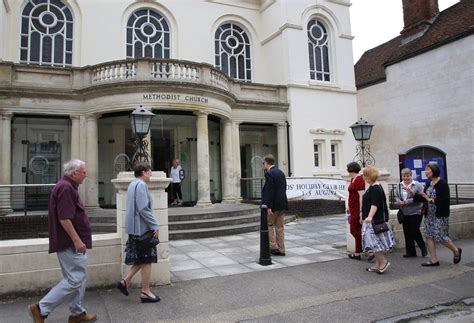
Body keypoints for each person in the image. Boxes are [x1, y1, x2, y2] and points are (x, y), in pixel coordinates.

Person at [28, 160, 96, 323]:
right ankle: (41, 308)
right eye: (83, 173)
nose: (85, 176)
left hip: (70, 242)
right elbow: (64, 218)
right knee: (75, 279)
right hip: (70, 243)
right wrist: (77, 240)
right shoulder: (66, 188)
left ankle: (77, 312)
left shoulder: (66, 186)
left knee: (77, 277)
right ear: (74, 173)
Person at [116, 163, 161, 303]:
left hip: (134, 230)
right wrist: (155, 225)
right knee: (147, 260)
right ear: (143, 172)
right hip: (143, 230)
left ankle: (125, 281)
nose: (151, 174)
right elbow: (143, 209)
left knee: (141, 259)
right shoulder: (141, 185)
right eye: (149, 171)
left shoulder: (132, 184)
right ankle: (145, 292)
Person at [408, 163, 462, 267]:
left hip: (439, 215)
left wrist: (431, 200)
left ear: (434, 171)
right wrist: (414, 194)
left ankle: (456, 251)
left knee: (441, 237)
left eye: (428, 170)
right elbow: (424, 197)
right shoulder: (429, 184)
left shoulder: (442, 184)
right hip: (429, 215)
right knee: (429, 235)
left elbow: (445, 200)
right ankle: (434, 260)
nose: (426, 172)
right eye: (426, 170)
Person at [361, 166, 396, 274]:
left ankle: (383, 262)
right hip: (370, 221)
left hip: (374, 221)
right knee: (372, 244)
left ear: (369, 176)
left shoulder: (376, 188)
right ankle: (377, 264)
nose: (363, 177)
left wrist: (369, 217)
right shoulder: (372, 187)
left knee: (375, 244)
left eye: (364, 175)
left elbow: (375, 204)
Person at [394, 168, 427, 258]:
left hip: (416, 211)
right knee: (407, 232)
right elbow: (396, 196)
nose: (405, 178)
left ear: (411, 175)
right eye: (404, 176)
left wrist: (407, 201)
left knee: (414, 230)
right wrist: (399, 202)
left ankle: (423, 247)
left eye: (407, 176)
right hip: (404, 212)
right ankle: (411, 252)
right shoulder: (399, 185)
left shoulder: (417, 185)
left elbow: (422, 197)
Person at [261, 154, 288, 256]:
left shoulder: (269, 173)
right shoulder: (281, 172)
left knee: (269, 225)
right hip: (282, 204)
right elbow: (284, 188)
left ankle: (273, 247)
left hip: (273, 206)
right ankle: (282, 249)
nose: (263, 165)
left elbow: (269, 191)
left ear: (267, 163)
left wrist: (269, 206)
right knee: (280, 227)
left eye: (263, 163)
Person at [346, 162, 365, 260]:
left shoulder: (359, 180)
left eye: (348, 168)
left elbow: (361, 196)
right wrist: (349, 207)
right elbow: (351, 195)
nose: (347, 170)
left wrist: (361, 211)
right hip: (352, 208)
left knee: (355, 230)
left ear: (351, 169)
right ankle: (358, 253)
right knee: (354, 230)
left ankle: (365, 250)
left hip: (358, 209)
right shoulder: (353, 179)